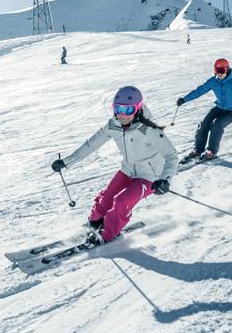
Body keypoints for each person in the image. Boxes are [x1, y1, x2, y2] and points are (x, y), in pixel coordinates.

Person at [51, 86, 177, 246]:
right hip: (128, 170)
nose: (122, 115)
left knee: (121, 201)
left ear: (138, 109)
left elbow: (172, 156)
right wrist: (66, 161)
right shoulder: (113, 125)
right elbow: (91, 145)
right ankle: (95, 223)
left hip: (151, 177)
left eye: (128, 110)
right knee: (106, 199)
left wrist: (165, 180)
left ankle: (107, 234)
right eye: (118, 109)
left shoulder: (149, 129)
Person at [176, 58, 232, 162]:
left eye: (222, 71)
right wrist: (184, 99)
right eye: (217, 71)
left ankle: (211, 151)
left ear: (227, 70)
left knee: (217, 124)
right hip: (219, 107)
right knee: (204, 123)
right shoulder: (213, 81)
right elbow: (199, 90)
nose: (219, 74)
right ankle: (198, 149)